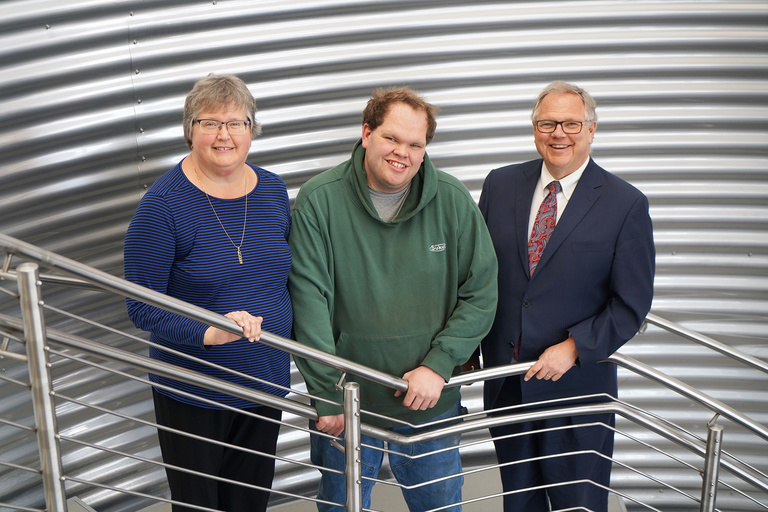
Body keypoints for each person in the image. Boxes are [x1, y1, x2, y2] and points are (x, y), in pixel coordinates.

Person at [288, 86, 498, 511]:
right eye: (391, 138)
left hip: (429, 408)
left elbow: (481, 293)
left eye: (415, 144)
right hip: (347, 409)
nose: (402, 152)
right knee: (340, 507)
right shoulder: (319, 202)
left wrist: (439, 365)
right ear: (366, 133)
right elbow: (309, 301)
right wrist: (327, 396)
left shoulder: (453, 202)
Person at [478, 81, 655, 512]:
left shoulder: (625, 203)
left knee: (578, 505)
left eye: (571, 123)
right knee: (519, 504)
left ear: (591, 129)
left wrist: (575, 347)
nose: (559, 134)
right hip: (508, 384)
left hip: (576, 389)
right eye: (547, 123)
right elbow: (477, 273)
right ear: (535, 129)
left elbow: (632, 303)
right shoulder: (500, 185)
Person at [124, 73, 292, 512]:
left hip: (264, 384)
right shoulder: (163, 205)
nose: (224, 135)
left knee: (250, 502)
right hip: (194, 392)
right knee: (200, 505)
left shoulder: (273, 191)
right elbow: (140, 305)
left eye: (236, 123)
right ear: (190, 130)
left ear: (251, 130)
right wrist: (209, 332)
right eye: (210, 123)